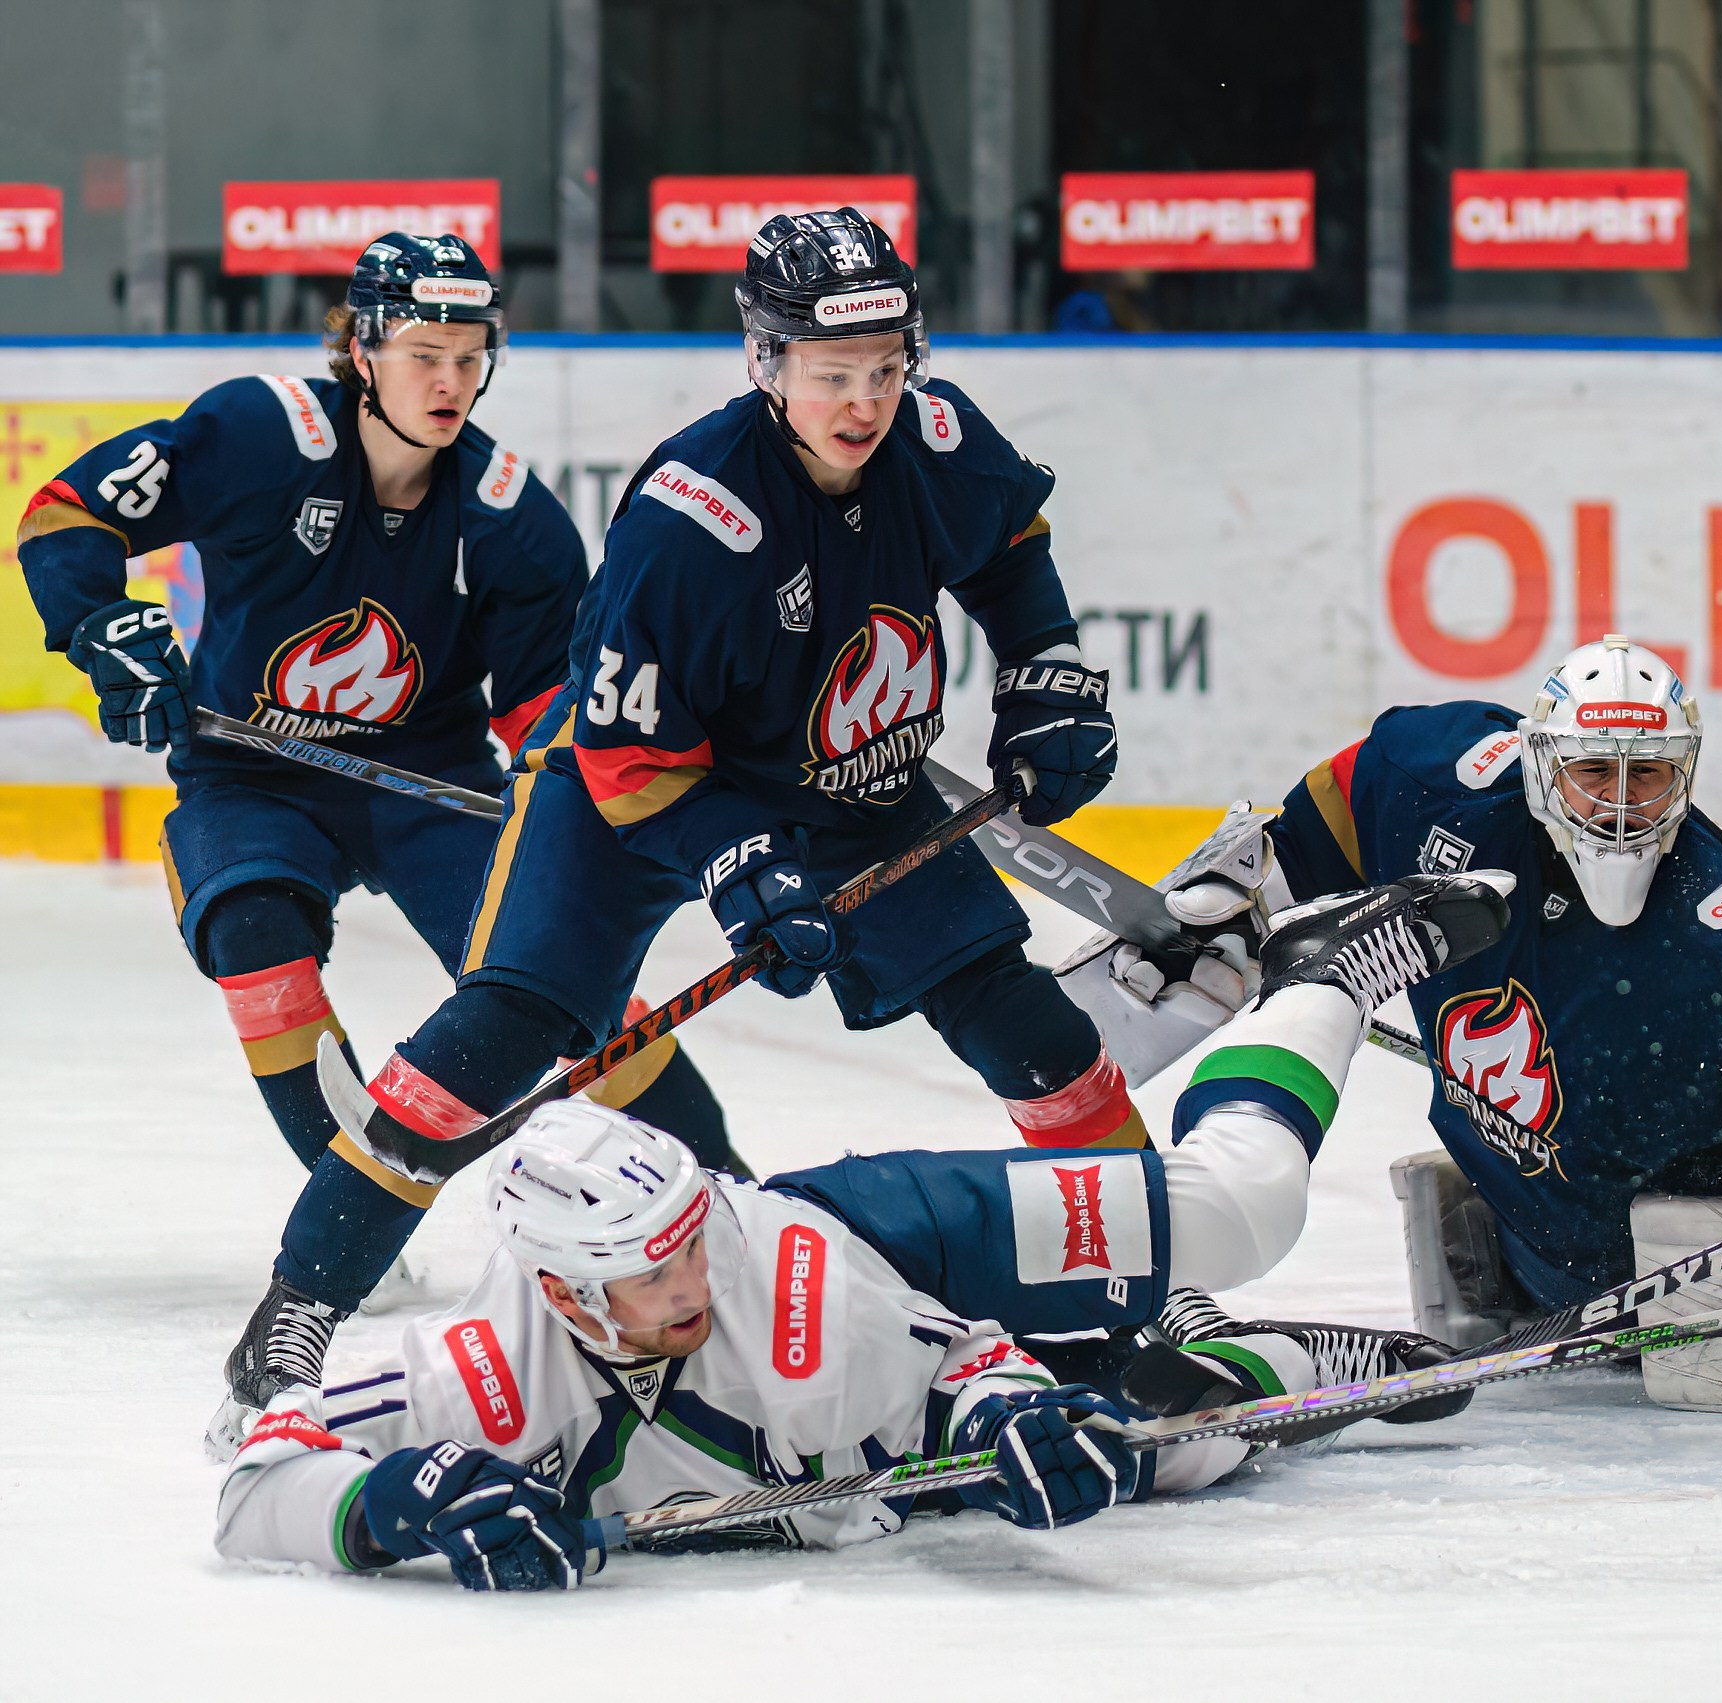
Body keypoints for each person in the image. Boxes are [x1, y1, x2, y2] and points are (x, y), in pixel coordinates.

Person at [286, 205, 1156, 1420]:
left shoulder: (940, 435)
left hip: (850, 788)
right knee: (499, 1034)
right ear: (767, 363)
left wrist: (1044, 667)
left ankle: (1157, 1292)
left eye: (886, 369)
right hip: (623, 791)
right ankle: (295, 1315)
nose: (866, 401)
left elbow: (1006, 547)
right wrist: (736, 861)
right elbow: (629, 759)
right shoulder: (692, 520)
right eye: (832, 374)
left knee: (1029, 1028)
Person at [212, 873, 1512, 1589]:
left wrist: (999, 1411)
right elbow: (257, 1478)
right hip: (863, 1364)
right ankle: (1279, 1361)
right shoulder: (480, 1368)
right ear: (561, 1292)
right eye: (648, 1264)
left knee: (1239, 1208)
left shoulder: (774, 1277)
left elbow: (956, 1358)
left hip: (891, 1234)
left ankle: (1321, 974)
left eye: (684, 1232)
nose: (686, 1271)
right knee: (1167, 1439)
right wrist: (388, 1499)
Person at [12, 234, 732, 1431]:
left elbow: (542, 714)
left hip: (428, 783)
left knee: (568, 984)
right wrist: (100, 628)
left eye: (469, 355)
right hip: (249, 769)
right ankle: (346, 1205)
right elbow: (65, 511)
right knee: (255, 935)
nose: (448, 381)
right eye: (422, 353)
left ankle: (725, 1185)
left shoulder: (509, 518)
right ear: (362, 347)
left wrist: (598, 800)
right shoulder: (256, 433)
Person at [1099, 636, 1722, 1405]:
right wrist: (1240, 892)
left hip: (1652, 1288)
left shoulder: (1720, 927)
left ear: (1683, 774)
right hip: (1530, 1243)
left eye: (1645, 774)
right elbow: (1333, 810)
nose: (1616, 804)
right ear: (1538, 761)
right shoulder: (1441, 781)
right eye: (1590, 773)